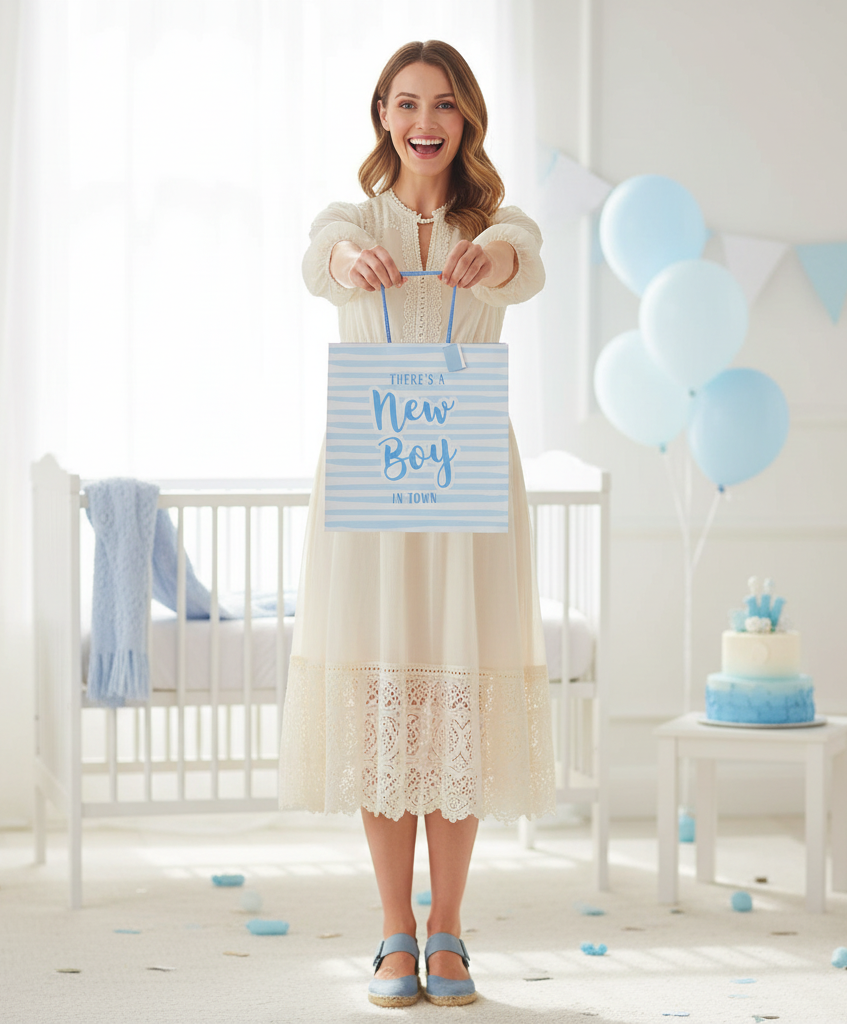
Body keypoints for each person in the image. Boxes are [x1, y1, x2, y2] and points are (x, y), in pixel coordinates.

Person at [278, 39, 552, 1008]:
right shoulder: (352, 218)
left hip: (466, 479)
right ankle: (394, 929)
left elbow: (526, 265)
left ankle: (449, 930)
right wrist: (350, 259)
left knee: (458, 706)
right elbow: (319, 259)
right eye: (406, 104)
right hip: (372, 483)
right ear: (383, 116)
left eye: (442, 104)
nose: (424, 122)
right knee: (381, 697)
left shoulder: (498, 221)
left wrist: (494, 256)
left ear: (466, 117)